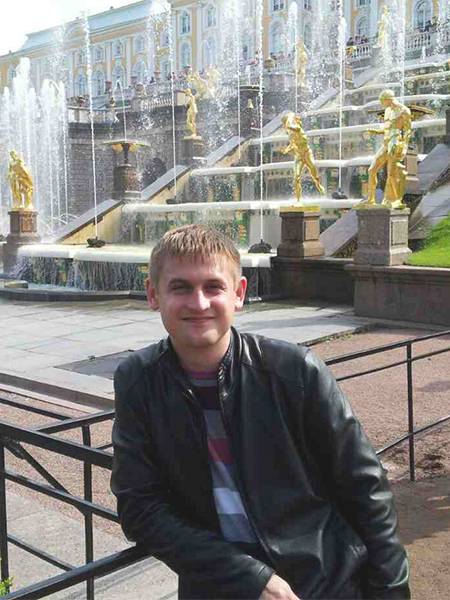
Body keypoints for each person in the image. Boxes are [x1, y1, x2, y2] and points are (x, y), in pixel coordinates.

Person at [111, 224, 411, 600]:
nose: (199, 303)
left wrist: (391, 592)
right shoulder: (137, 381)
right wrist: (249, 577)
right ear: (153, 295)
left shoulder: (294, 370)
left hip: (322, 583)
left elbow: (365, 489)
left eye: (213, 287)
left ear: (238, 294)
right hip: (220, 585)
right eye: (181, 287)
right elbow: (139, 507)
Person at [364, 89, 412, 208]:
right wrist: (376, 132)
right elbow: (387, 129)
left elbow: (408, 130)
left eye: (382, 101)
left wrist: (405, 147)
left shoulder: (404, 110)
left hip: (396, 142)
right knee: (371, 170)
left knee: (391, 173)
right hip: (386, 143)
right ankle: (370, 199)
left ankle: (393, 200)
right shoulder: (387, 110)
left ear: (388, 99)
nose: (381, 103)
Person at [280, 112, 325, 202]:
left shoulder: (298, 128)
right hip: (298, 157)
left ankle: (318, 184)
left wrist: (289, 118)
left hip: (307, 153)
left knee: (313, 170)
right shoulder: (291, 135)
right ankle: (298, 200)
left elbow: (290, 126)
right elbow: (292, 145)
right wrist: (285, 150)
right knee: (296, 178)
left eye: (284, 123)